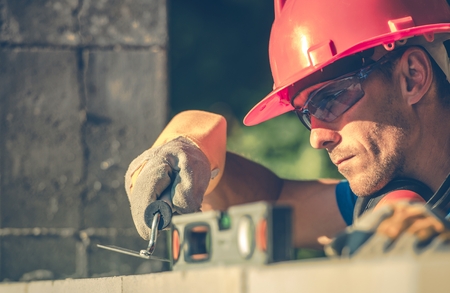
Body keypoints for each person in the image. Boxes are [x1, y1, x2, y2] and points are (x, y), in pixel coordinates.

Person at [125, 0, 450, 254]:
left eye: (330, 99)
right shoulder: (388, 200)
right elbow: (272, 200)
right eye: (306, 113)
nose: (316, 137)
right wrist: (192, 146)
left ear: (412, 77)